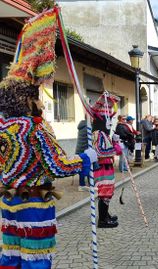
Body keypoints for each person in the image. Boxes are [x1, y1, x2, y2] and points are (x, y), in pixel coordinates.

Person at [0, 56, 97, 268]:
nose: (41, 103)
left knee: (11, 254)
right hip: (33, 205)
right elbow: (57, 166)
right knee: (35, 257)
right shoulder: (34, 129)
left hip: (8, 202)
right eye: (37, 98)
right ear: (26, 100)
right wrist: (86, 158)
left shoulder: (3, 128)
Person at [75, 118, 89, 191]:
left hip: (79, 150)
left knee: (81, 168)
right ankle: (85, 184)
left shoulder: (82, 125)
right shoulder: (88, 126)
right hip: (84, 150)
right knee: (87, 167)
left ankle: (82, 184)